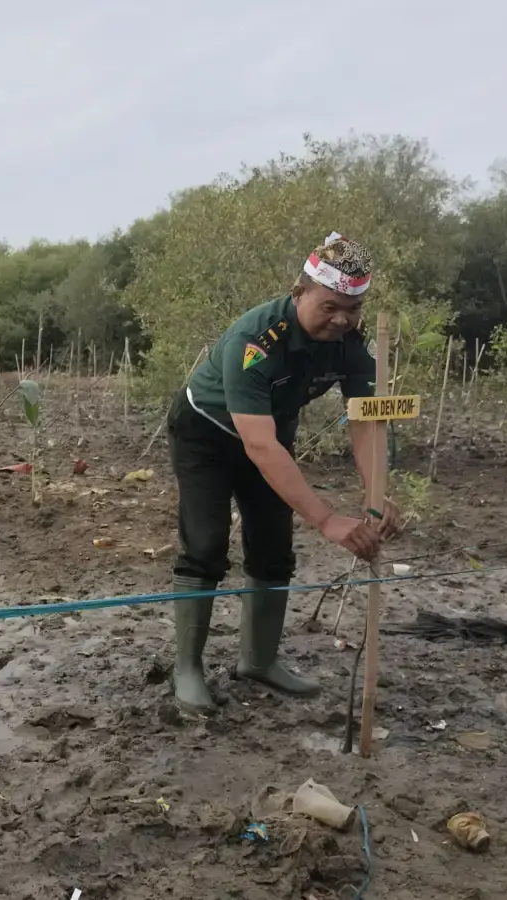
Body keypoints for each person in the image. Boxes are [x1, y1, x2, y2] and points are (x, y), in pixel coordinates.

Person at [166, 232, 400, 715]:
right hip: (206, 433)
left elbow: (365, 421)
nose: (341, 320)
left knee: (273, 547)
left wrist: (376, 494)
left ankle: (258, 661)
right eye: (330, 306)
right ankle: (187, 669)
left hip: (271, 431)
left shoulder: (352, 345)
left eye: (353, 309)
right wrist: (327, 519)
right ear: (299, 293)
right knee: (206, 545)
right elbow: (258, 446)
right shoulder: (256, 340)